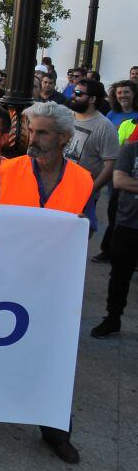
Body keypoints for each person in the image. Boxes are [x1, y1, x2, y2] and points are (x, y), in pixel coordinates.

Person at [0, 102, 91, 463]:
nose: (33, 139)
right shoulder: (8, 173)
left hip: (53, 286)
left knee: (51, 358)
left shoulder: (82, 180)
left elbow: (84, 231)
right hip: (5, 282)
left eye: (42, 133)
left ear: (64, 139)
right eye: (30, 131)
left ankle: (56, 430)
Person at [64, 79, 120, 258]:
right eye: (74, 92)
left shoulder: (105, 127)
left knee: (74, 244)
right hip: (57, 187)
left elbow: (111, 164)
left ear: (92, 99)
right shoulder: (65, 117)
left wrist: (91, 189)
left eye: (79, 94)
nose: (73, 96)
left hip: (84, 195)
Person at [91, 132, 138, 340]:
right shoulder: (131, 149)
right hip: (128, 224)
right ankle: (113, 318)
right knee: (119, 275)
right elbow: (119, 180)